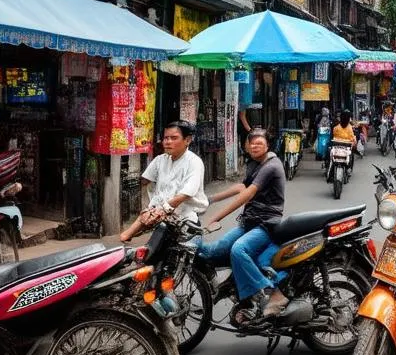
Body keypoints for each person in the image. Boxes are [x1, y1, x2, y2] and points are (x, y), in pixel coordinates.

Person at [197, 129, 290, 316]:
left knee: (239, 250)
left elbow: (248, 193)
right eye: (252, 143)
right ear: (247, 146)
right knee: (212, 250)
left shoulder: (271, 166)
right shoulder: (255, 164)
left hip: (267, 225)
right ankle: (226, 290)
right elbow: (242, 187)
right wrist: (210, 200)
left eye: (259, 143)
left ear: (268, 145)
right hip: (249, 223)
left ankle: (273, 293)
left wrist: (215, 217)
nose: (255, 146)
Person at [120, 121, 208, 243]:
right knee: (144, 253)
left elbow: (184, 195)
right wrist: (148, 208)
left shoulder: (194, 162)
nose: (168, 142)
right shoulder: (160, 160)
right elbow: (144, 181)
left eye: (174, 138)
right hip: (162, 221)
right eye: (166, 138)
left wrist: (161, 209)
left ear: (187, 140)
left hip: (185, 221)